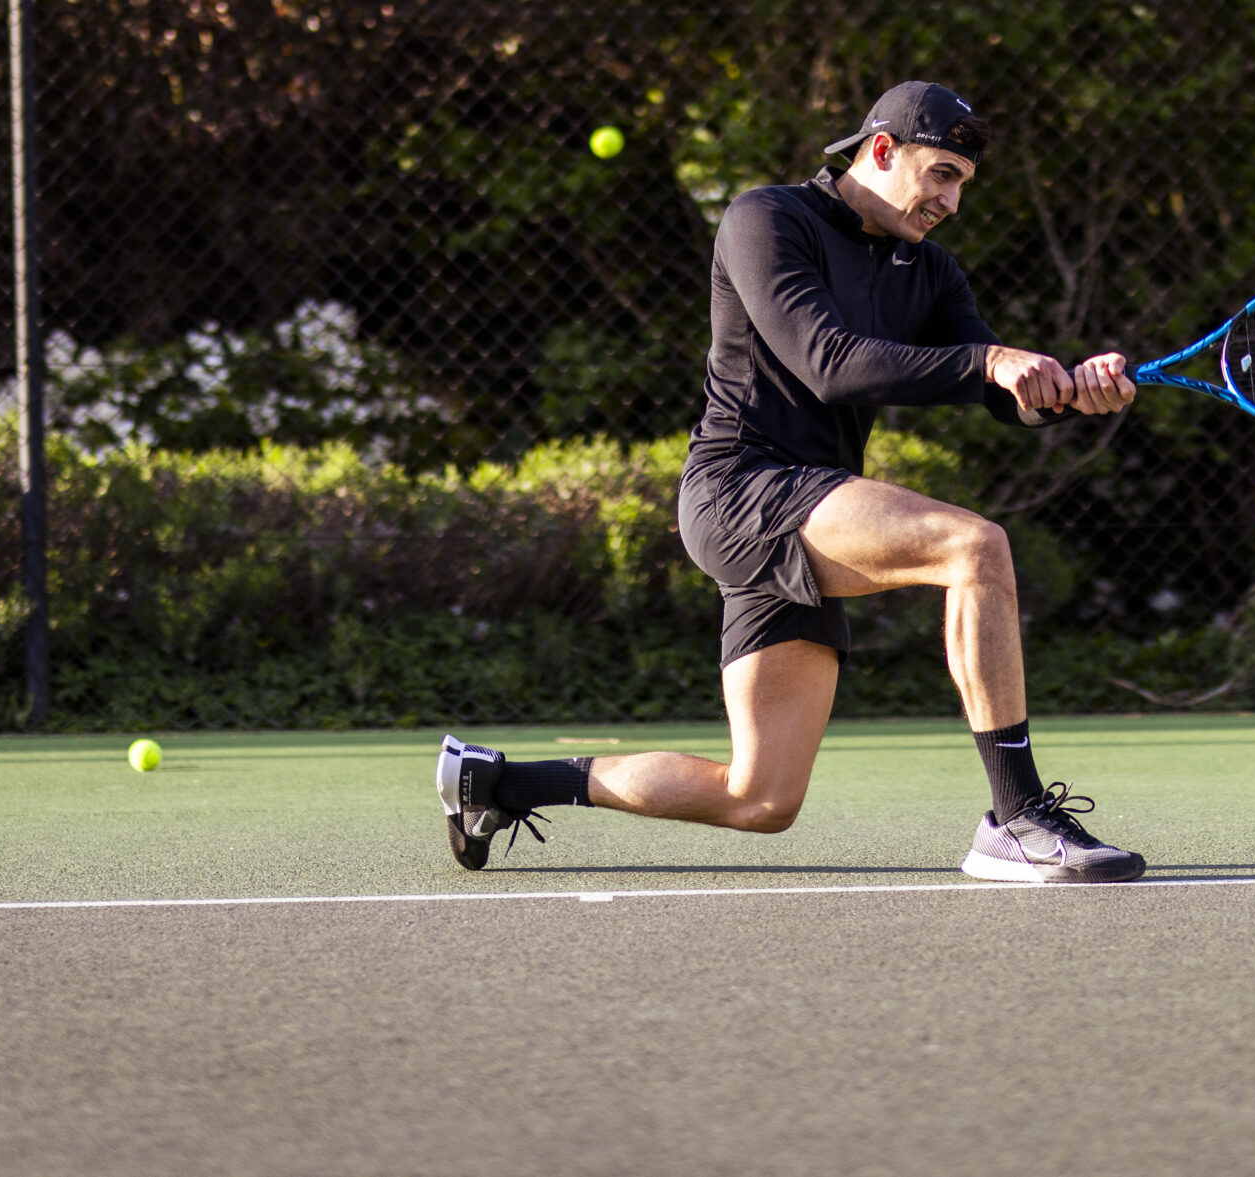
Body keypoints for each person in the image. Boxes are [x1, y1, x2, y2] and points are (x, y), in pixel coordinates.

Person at [437, 81, 1145, 883]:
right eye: (941, 173)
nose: (951, 198)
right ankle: (1016, 818)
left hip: (810, 504)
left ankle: (497, 784)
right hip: (741, 488)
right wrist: (992, 360)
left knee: (760, 796)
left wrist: (1064, 391)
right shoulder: (766, 220)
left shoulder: (932, 273)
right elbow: (828, 362)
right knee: (974, 547)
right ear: (881, 150)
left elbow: (990, 387)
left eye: (962, 183)